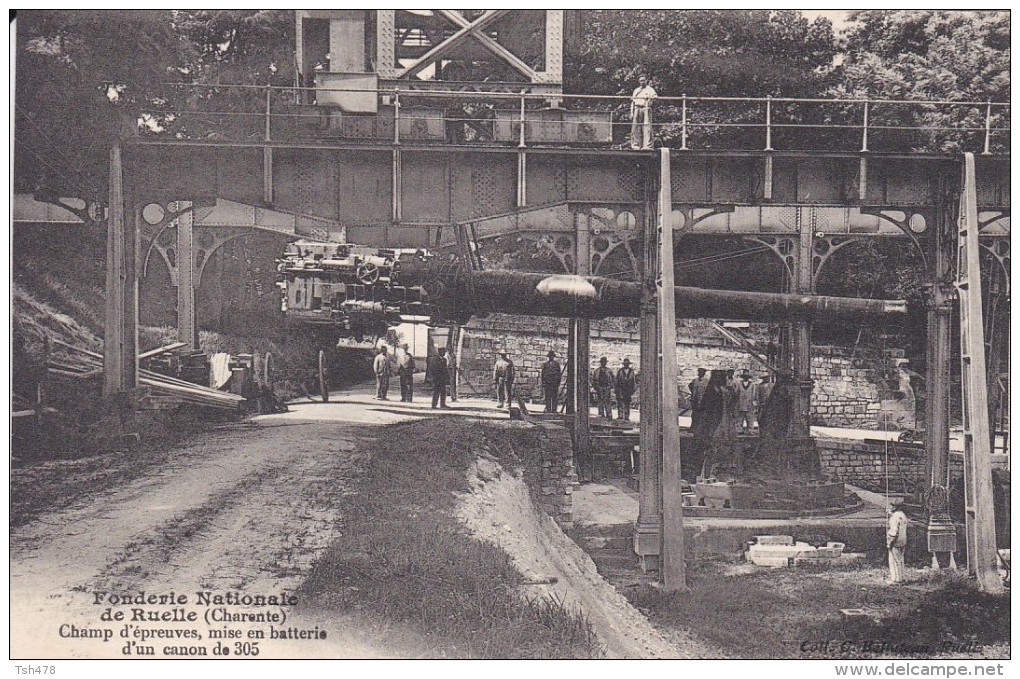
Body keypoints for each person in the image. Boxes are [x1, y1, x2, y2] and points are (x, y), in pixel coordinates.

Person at [630, 74, 658, 150]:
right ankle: (636, 145)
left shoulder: (650, 89)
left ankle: (647, 145)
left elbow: (655, 97)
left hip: (645, 108)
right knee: (636, 127)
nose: (642, 82)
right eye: (640, 80)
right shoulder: (636, 90)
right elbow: (633, 101)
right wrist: (631, 112)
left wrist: (649, 99)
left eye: (643, 80)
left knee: (647, 127)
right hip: (637, 108)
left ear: (646, 81)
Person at [886, 498, 908, 584]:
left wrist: (889, 543)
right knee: (901, 560)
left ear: (895, 507)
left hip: (895, 542)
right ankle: (902, 577)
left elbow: (894, 532)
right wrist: (891, 515)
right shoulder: (903, 515)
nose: (891, 507)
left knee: (894, 561)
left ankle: (896, 580)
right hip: (903, 540)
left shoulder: (894, 517)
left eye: (892, 506)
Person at [688, 367, 709, 434]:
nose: (700, 373)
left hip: (703, 400)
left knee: (702, 415)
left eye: (702, 372)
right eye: (699, 372)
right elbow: (690, 385)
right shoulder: (695, 380)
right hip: (695, 400)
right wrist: (693, 394)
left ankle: (701, 429)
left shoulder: (706, 381)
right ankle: (693, 427)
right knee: (694, 415)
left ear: (704, 373)